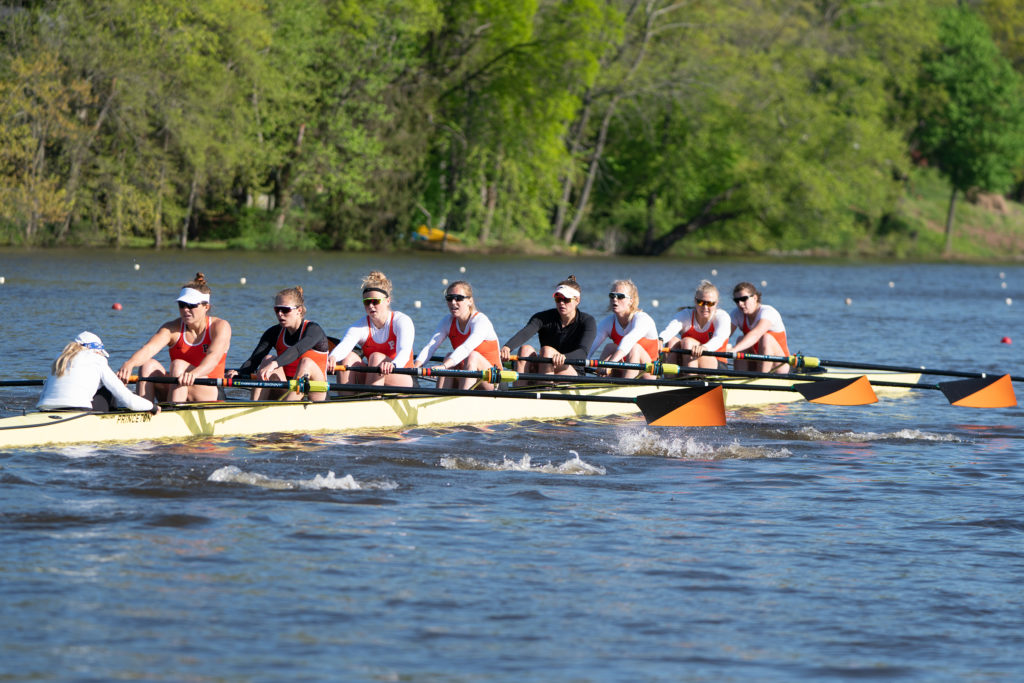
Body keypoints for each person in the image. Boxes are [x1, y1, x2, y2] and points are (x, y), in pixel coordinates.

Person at [117, 272, 231, 402]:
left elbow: (213, 359)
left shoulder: (220, 326)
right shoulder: (172, 328)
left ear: (206, 307)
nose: (185, 309)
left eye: (192, 305)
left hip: (210, 391)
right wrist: (129, 364)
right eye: (182, 305)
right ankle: (144, 412)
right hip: (179, 384)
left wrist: (193, 375)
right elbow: (148, 349)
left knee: (178, 365)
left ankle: (173, 411)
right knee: (147, 365)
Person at [228, 286, 330, 401]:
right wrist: (240, 372)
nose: (280, 314)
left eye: (285, 310)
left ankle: (288, 408)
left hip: (316, 390)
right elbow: (254, 360)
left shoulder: (314, 330)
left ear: (299, 310)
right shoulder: (274, 332)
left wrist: (274, 364)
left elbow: (297, 350)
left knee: (305, 362)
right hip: (288, 388)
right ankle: (254, 406)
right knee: (268, 359)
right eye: (277, 310)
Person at [500, 275, 596, 382]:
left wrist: (564, 357)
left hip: (571, 369)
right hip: (545, 365)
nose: (561, 303)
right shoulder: (542, 318)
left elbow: (583, 352)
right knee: (525, 349)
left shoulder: (587, 321)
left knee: (547, 351)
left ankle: (544, 388)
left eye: (566, 300)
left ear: (577, 300)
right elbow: (525, 333)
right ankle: (519, 390)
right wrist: (507, 347)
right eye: (558, 299)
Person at [329, 271, 415, 388]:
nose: (370, 306)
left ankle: (371, 399)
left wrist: (393, 365)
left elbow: (404, 352)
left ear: (387, 301)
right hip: (375, 376)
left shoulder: (401, 321)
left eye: (375, 301)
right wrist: (332, 357)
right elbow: (345, 346)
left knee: (376, 357)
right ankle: (346, 399)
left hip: (404, 377)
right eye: (367, 302)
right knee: (348, 357)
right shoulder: (360, 326)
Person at [38, 332, 158, 413]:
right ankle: (111, 424)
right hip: (78, 410)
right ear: (97, 350)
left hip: (45, 410)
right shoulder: (97, 359)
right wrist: (152, 407)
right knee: (108, 390)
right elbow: (129, 401)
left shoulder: (59, 358)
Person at [414, 280, 501, 390]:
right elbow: (431, 346)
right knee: (448, 356)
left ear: (470, 301)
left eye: (458, 298)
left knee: (472, 356)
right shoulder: (447, 321)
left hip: (494, 381)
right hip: (469, 377)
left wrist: (443, 366)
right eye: (449, 298)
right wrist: (416, 367)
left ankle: (462, 399)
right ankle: (438, 396)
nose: (453, 302)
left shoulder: (480, 321)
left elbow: (466, 348)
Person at [588, 279, 660, 379]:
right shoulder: (608, 322)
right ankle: (600, 381)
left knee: (634, 348)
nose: (615, 299)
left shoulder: (643, 319)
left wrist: (611, 363)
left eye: (620, 296)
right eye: (612, 296)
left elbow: (629, 340)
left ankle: (626, 385)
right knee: (609, 347)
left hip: (648, 373)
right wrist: (583, 360)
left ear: (631, 301)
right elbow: (592, 344)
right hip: (625, 367)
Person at [659, 280, 732, 370]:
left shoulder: (722, 316)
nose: (705, 307)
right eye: (701, 302)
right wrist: (660, 340)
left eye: (710, 303)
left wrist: (705, 347)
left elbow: (719, 338)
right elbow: (670, 330)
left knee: (687, 342)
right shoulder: (686, 315)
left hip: (716, 363)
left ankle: (692, 379)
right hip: (688, 360)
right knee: (672, 341)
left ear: (716, 303)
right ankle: (670, 379)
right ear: (695, 301)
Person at [728, 281, 790, 374]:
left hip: (779, 366)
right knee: (740, 339)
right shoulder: (737, 313)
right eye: (737, 300)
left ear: (755, 298)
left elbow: (756, 334)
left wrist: (733, 350)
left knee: (766, 338)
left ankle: (762, 378)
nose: (740, 304)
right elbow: (723, 336)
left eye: (744, 299)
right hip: (757, 363)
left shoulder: (768, 312)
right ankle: (739, 376)